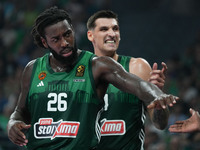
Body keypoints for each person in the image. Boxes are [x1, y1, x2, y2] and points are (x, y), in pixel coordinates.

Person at [7, 6, 178, 150]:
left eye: (67, 34)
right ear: (45, 43)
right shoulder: (32, 69)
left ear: (74, 31)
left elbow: (138, 85)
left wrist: (156, 94)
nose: (65, 42)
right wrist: (13, 123)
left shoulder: (97, 65)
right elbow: (21, 111)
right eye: (56, 39)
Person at [87, 10, 171, 149]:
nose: (112, 34)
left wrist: (158, 100)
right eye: (104, 29)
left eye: (115, 29)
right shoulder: (80, 71)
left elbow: (160, 124)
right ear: (91, 35)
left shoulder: (137, 67)